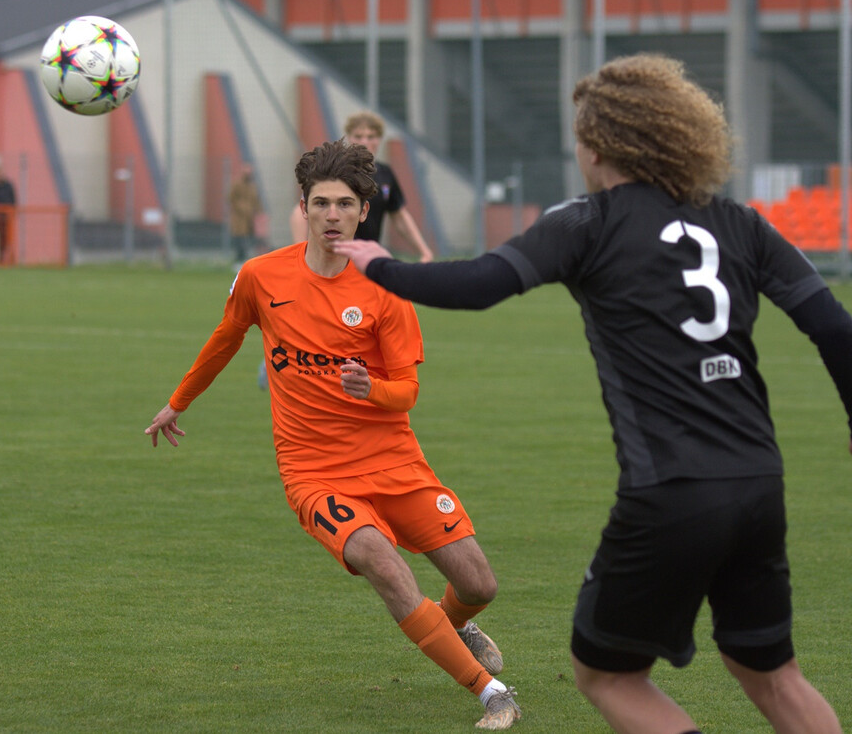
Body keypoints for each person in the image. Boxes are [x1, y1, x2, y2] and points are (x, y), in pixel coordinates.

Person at [335, 54, 851, 734]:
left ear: (599, 145)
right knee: (771, 672)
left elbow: (481, 284)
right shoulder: (739, 222)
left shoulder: (588, 221)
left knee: (606, 673)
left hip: (671, 489)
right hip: (759, 482)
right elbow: (835, 329)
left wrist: (381, 264)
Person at [146, 139, 521, 730]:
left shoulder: (388, 287)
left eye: (344, 204)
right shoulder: (261, 275)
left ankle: (455, 625)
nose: (331, 216)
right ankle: (491, 692)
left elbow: (407, 392)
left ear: (364, 211)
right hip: (314, 472)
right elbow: (225, 339)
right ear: (303, 205)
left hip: (394, 460)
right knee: (379, 558)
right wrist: (177, 402)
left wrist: (367, 388)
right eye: (320, 203)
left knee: (478, 582)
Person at [290, 111, 435, 264]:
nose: (364, 142)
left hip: (367, 259)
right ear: (349, 138)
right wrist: (299, 253)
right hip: (336, 259)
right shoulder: (338, 172)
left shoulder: (385, 174)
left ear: (379, 140)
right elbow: (299, 213)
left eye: (371, 136)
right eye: (358, 136)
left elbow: (399, 216)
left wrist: (424, 251)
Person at [228, 163, 263, 269]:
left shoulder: (252, 186)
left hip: (250, 219)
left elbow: (256, 201)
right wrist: (241, 208)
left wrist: (258, 213)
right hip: (239, 219)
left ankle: (245, 260)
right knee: (239, 239)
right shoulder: (237, 184)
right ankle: (238, 260)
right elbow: (231, 198)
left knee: (249, 240)